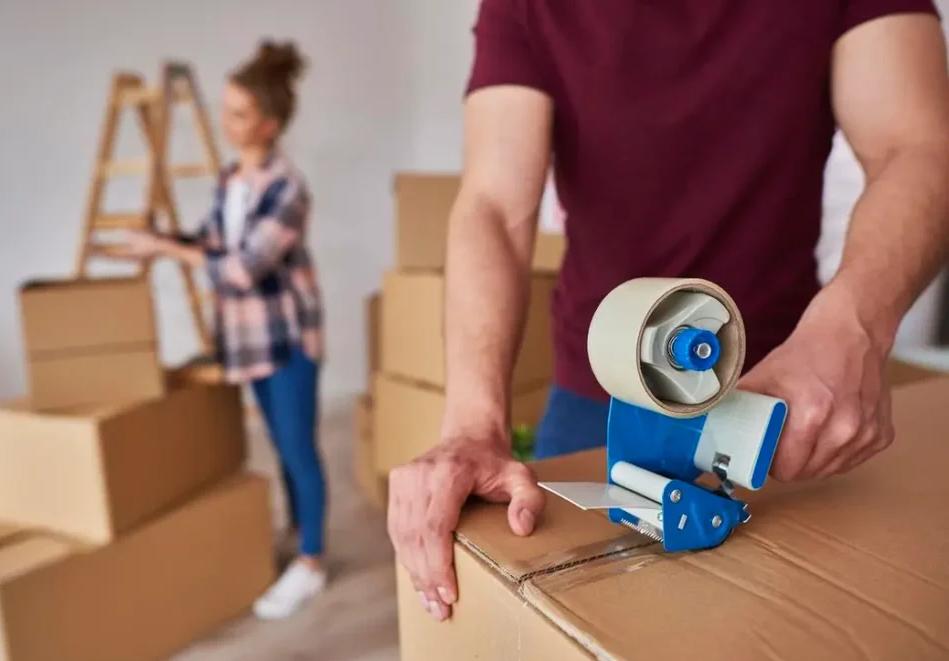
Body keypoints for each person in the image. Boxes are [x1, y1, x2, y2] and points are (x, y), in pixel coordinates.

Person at [387, 0, 949, 623]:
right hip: (596, 394)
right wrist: (471, 423)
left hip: (792, 397)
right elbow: (493, 203)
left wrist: (855, 328)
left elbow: (916, 146)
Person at [120, 40, 328, 620]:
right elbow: (214, 243)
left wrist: (163, 247)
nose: (226, 121)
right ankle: (301, 537)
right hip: (247, 341)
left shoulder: (287, 188)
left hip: (286, 342)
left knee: (298, 450)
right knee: (283, 450)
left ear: (268, 125)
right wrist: (163, 239)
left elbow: (241, 269)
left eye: (237, 114)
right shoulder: (232, 177)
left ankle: (311, 562)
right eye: (226, 109)